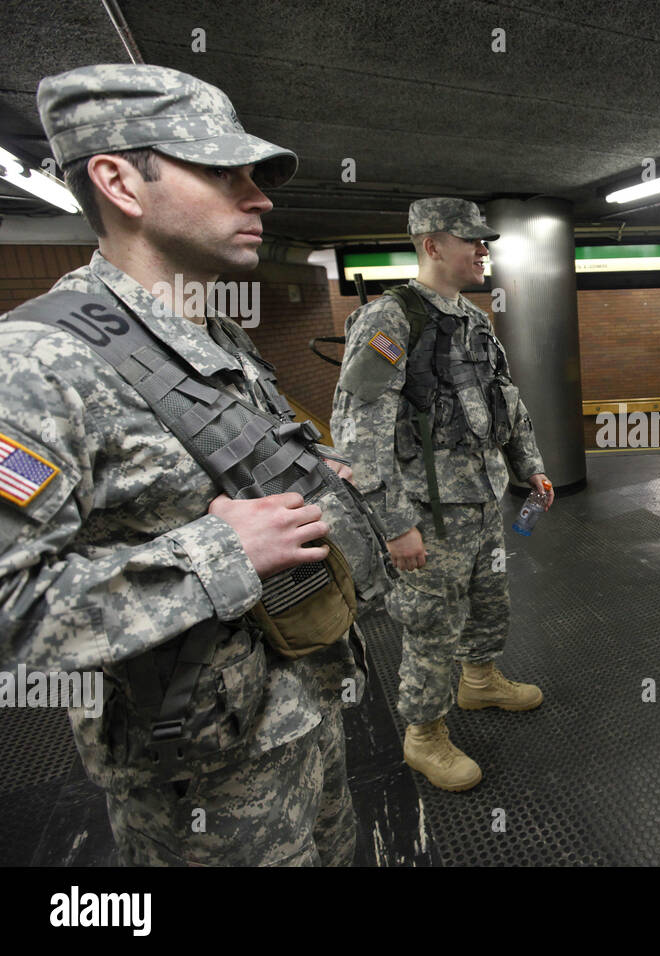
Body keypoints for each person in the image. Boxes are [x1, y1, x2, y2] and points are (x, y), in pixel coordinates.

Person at [0, 65, 391, 865]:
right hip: (199, 775)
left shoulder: (208, 333)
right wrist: (220, 555)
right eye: (223, 172)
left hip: (296, 707)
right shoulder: (36, 364)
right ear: (119, 181)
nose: (260, 198)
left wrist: (311, 470)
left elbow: (214, 463)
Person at [332, 198, 551, 792]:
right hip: (426, 514)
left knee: (489, 600)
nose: (484, 250)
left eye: (486, 242)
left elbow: (506, 401)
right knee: (431, 623)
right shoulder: (390, 320)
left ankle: (479, 681)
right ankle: (424, 735)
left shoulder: (474, 319)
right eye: (471, 241)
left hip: (481, 500)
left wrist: (528, 467)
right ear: (432, 245)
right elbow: (357, 436)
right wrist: (395, 524)